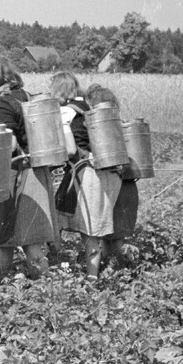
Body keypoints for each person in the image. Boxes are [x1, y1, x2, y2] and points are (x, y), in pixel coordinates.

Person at [0, 54, 56, 280]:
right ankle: (47, 292)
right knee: (31, 241)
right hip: (35, 172)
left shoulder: (1, 102)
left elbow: (8, 142)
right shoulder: (24, 96)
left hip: (16, 177)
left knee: (4, 241)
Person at [50, 72, 122, 279]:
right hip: (105, 172)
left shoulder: (66, 112)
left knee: (68, 225)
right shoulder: (88, 107)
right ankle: (91, 275)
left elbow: (71, 150)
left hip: (85, 173)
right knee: (89, 228)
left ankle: (70, 273)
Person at [85, 84, 139, 269]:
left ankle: (130, 273)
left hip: (117, 189)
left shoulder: (104, 128)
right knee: (110, 241)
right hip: (122, 188)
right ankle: (115, 276)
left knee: (115, 242)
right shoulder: (119, 124)